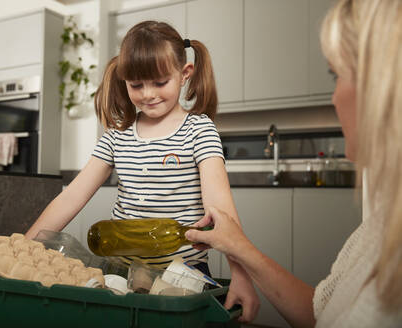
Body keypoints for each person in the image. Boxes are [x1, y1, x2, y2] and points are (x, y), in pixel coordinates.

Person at [186, 0, 402, 327]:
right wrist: (239, 248)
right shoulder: (378, 228)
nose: (334, 97)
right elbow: (320, 312)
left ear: (384, 86)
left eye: (337, 74)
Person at [25, 21, 259, 322]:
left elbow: (221, 211)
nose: (148, 94)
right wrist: (25, 246)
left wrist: (242, 275)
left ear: (184, 74)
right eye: (136, 85)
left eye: (160, 82)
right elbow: (70, 198)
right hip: (123, 276)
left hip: (184, 278)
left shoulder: (199, 130)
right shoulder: (116, 136)